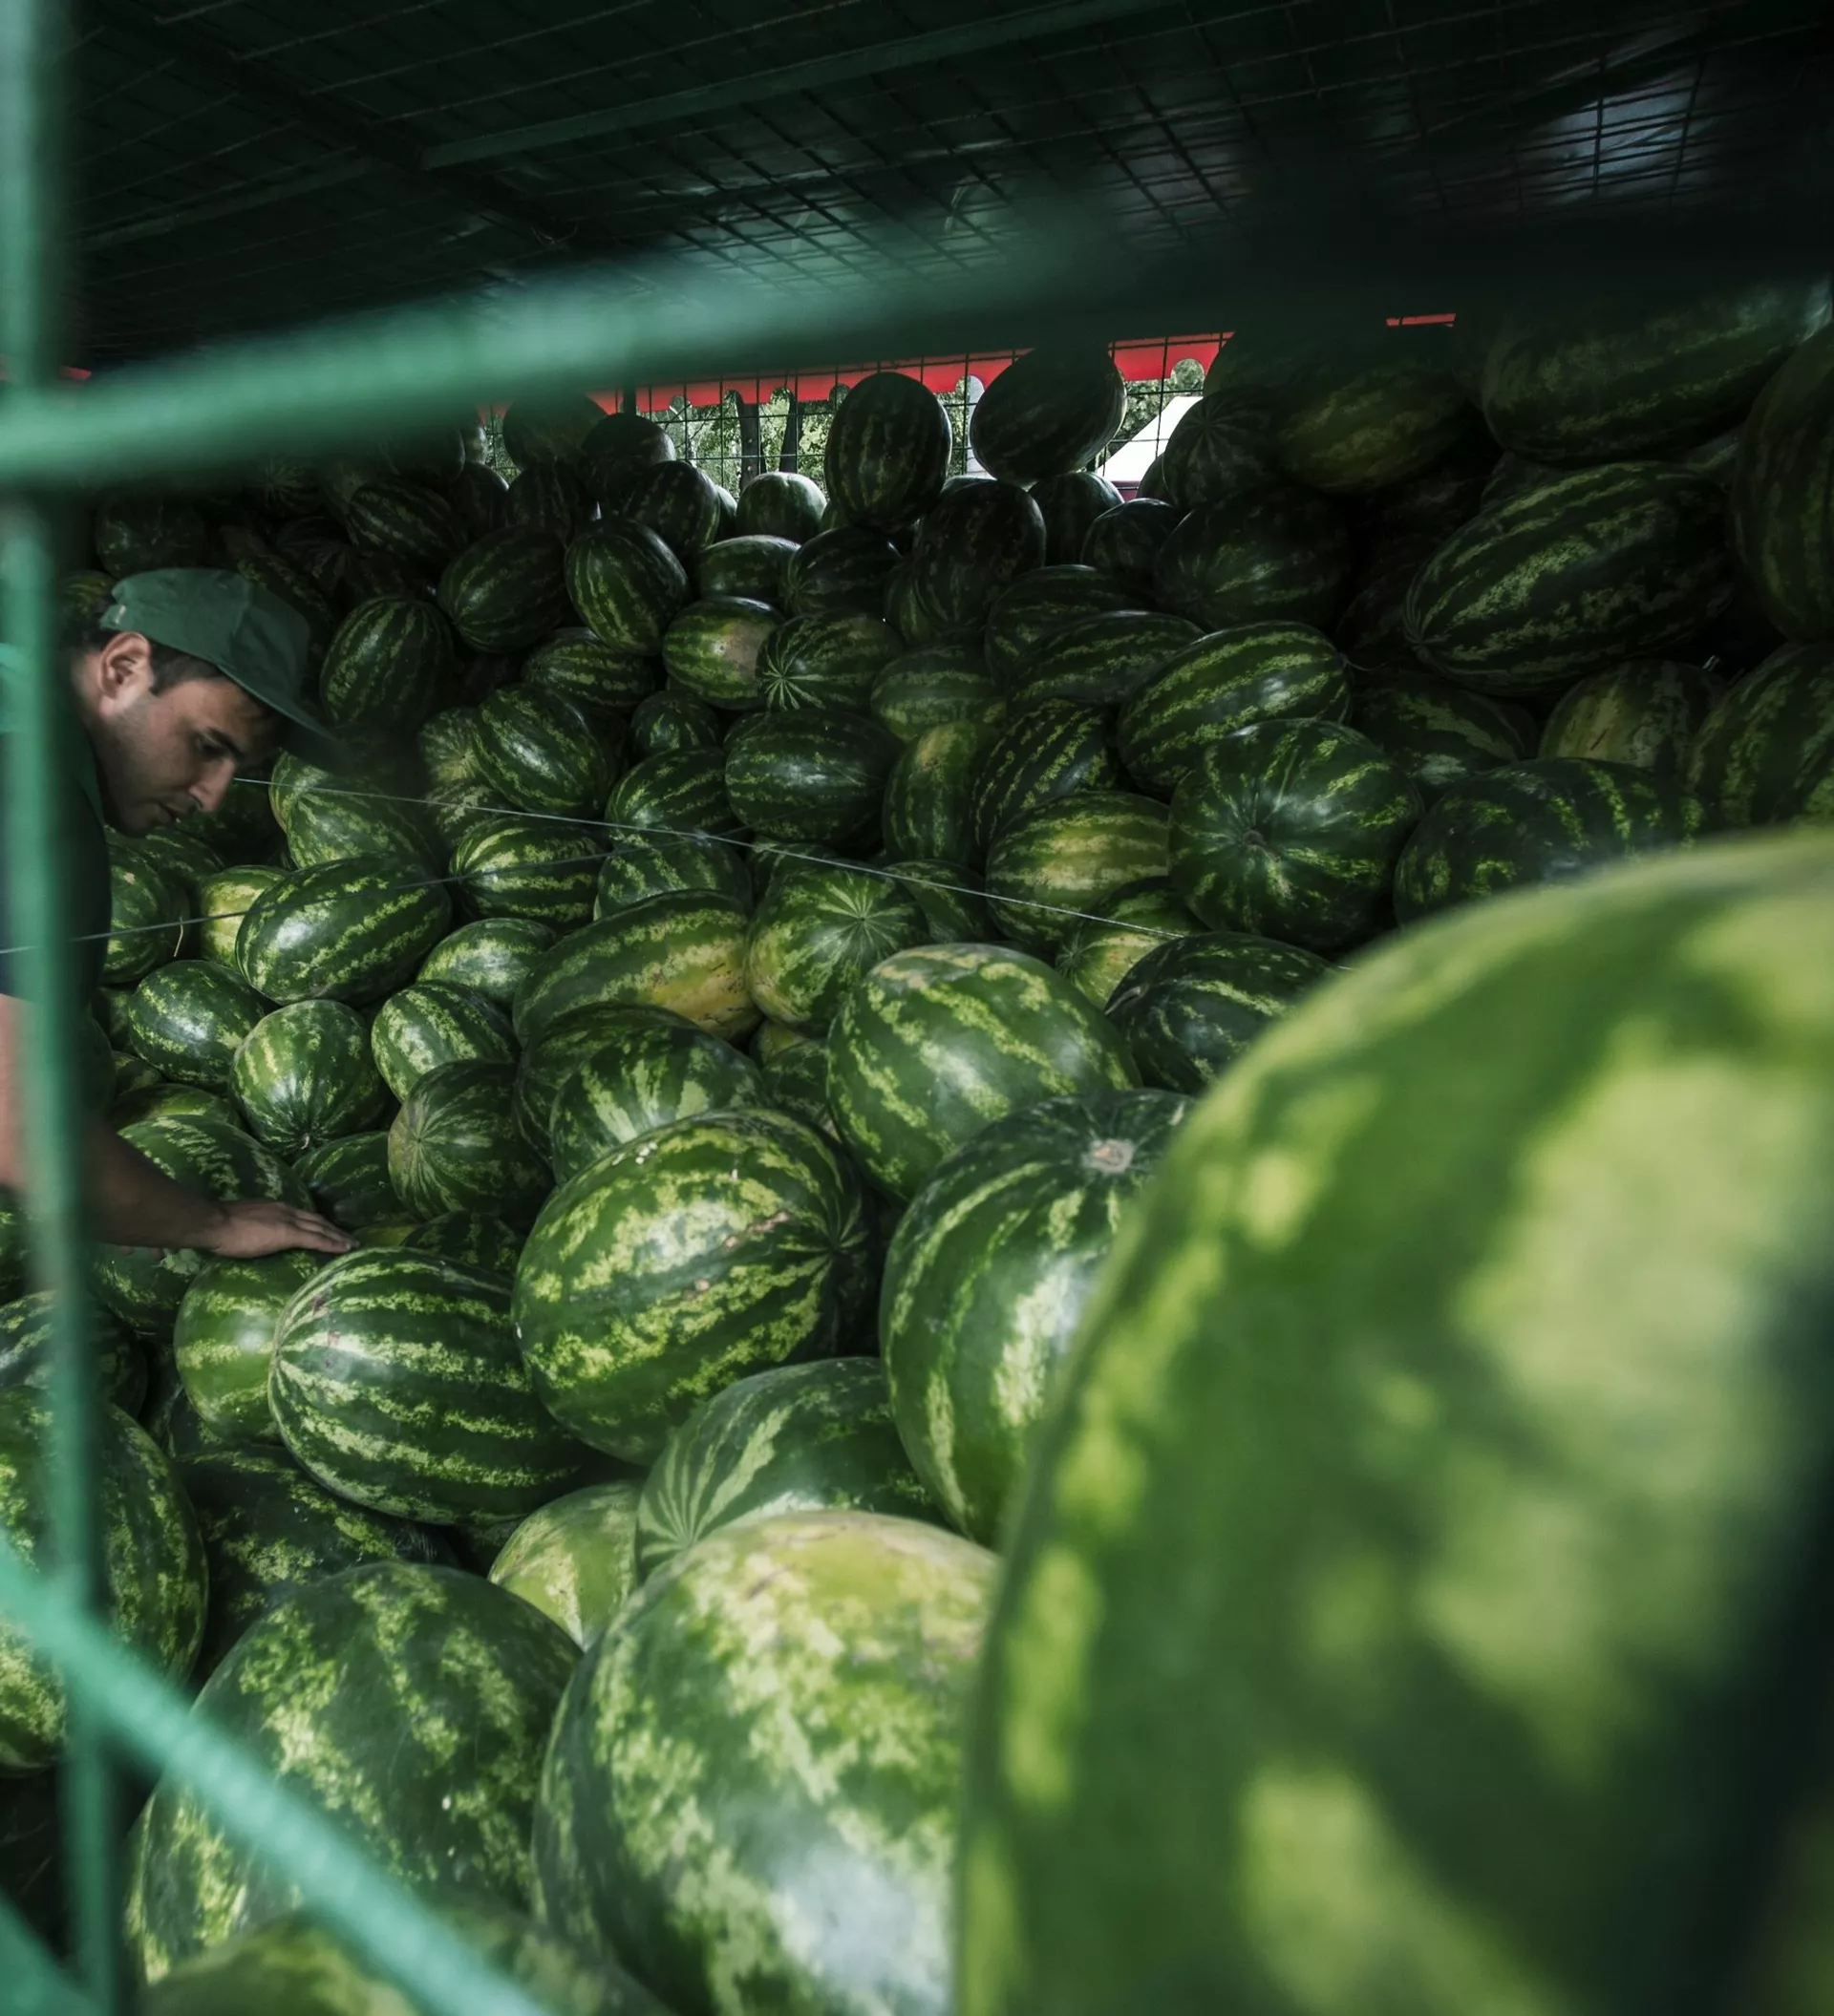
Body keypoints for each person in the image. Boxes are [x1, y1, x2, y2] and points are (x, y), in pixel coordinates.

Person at [0, 567, 353, 1260]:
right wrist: (211, 1224)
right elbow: (18, 1126)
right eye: (207, 746)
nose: (213, 796)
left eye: (235, 768)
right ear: (124, 668)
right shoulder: (41, 810)